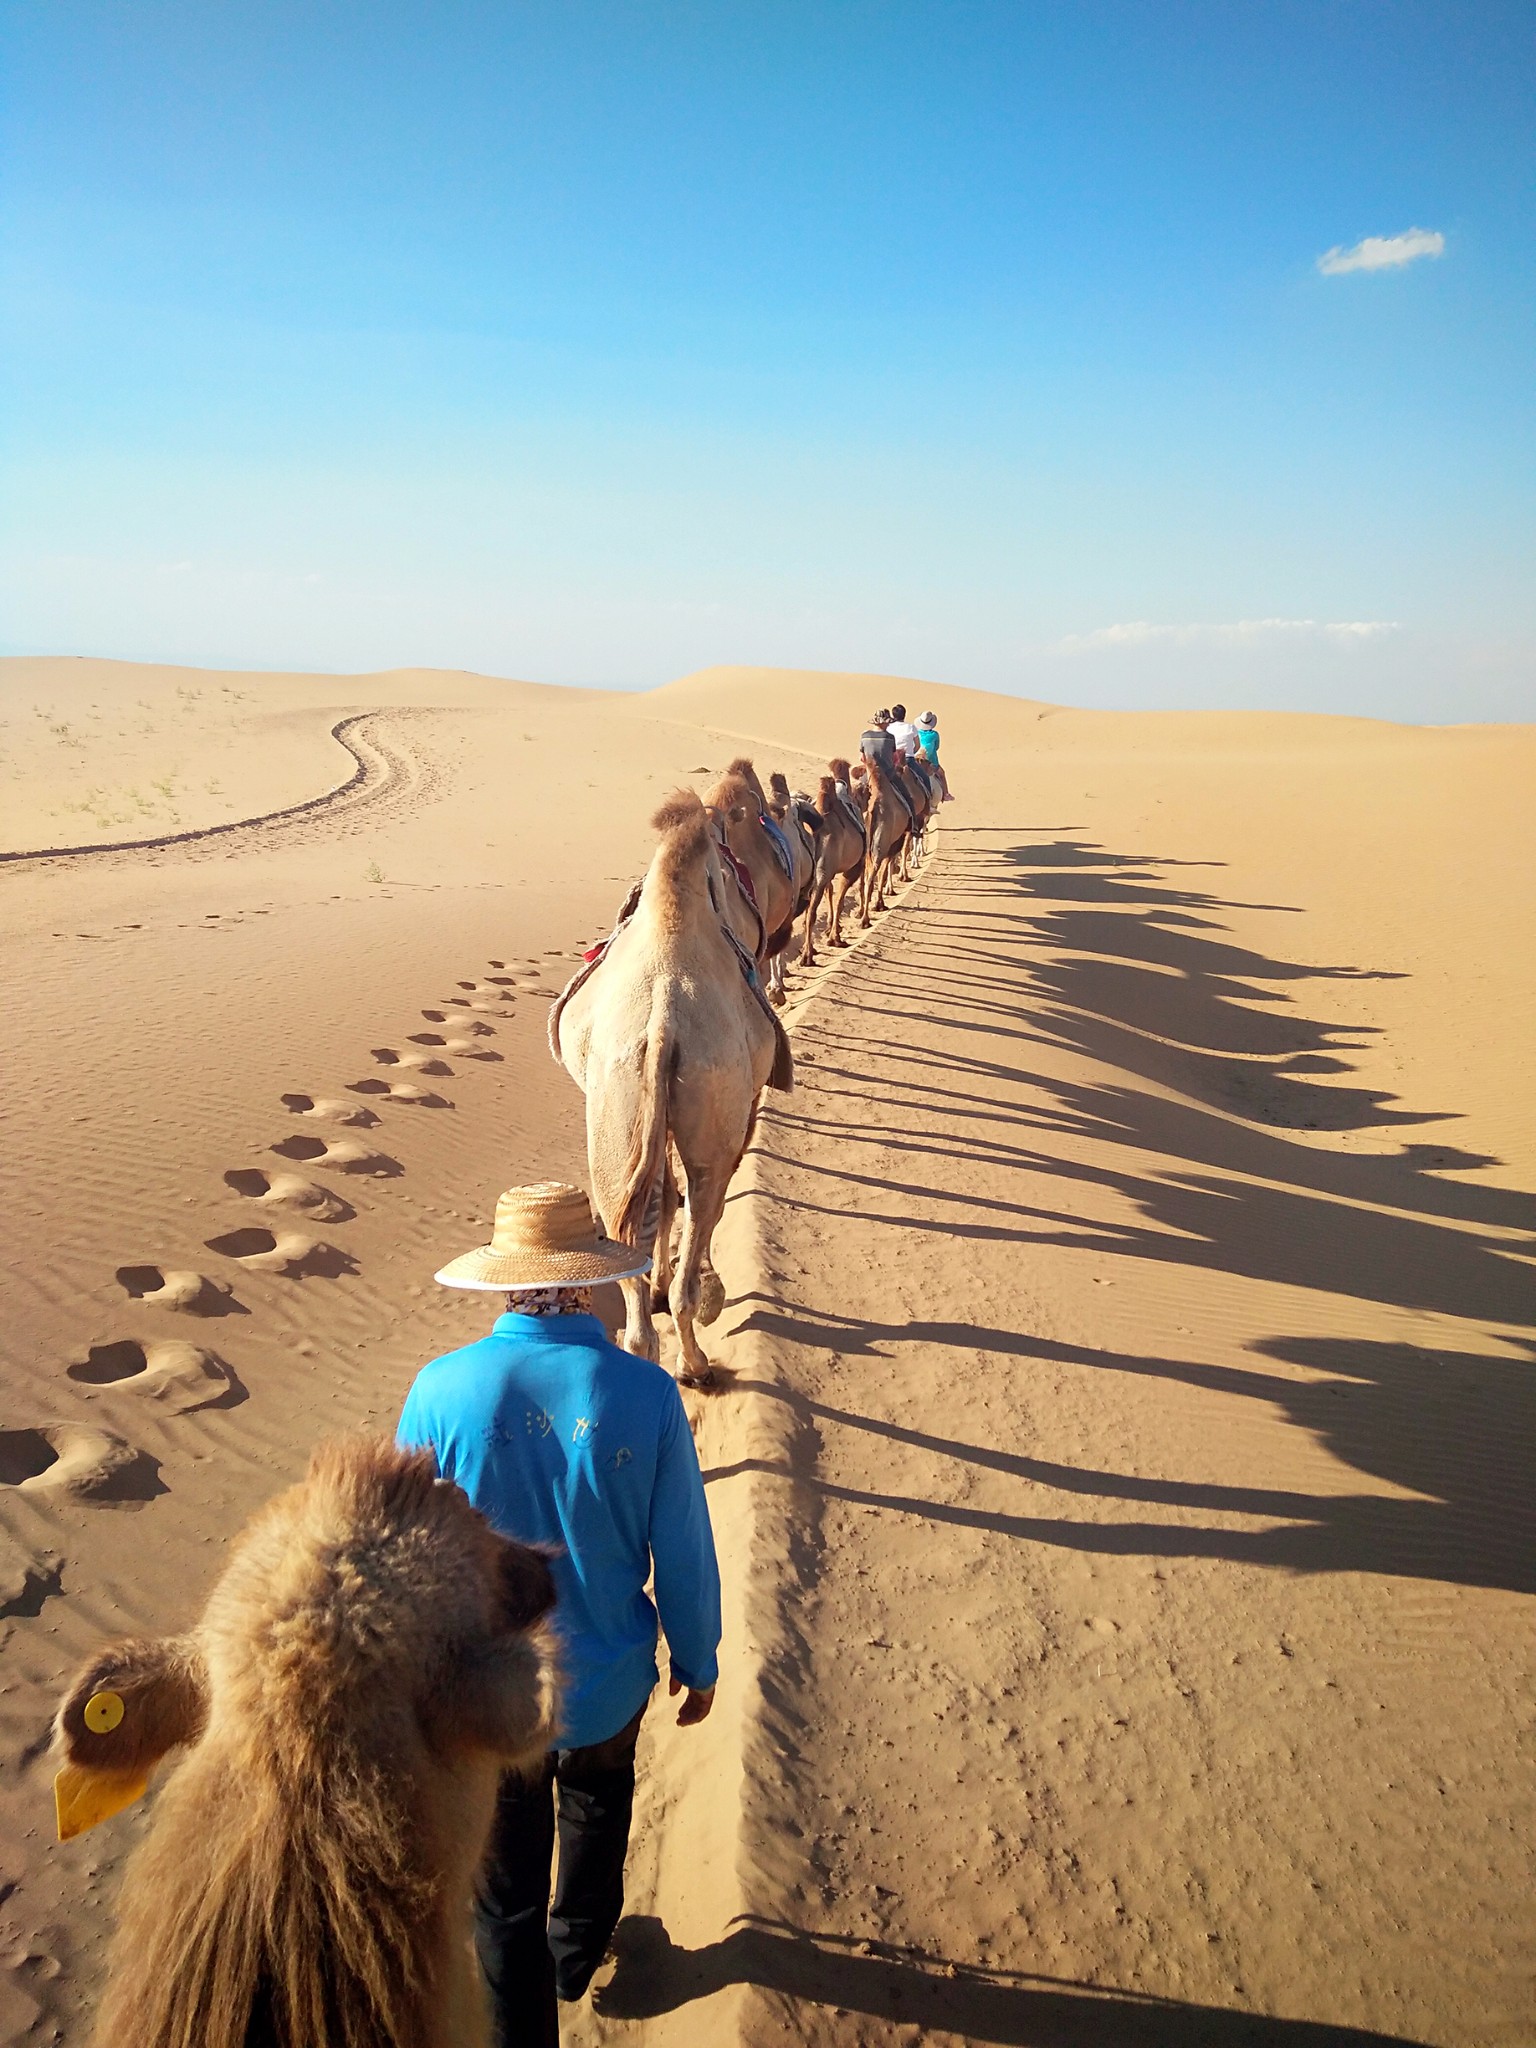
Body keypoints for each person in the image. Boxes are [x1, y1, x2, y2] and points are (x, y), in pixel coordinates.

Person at [396, 1181, 722, 2047]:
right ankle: (578, 1952)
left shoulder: (439, 1391)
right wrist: (699, 1659)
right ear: (588, 1282)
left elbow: (404, 1549)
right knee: (598, 1806)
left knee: (501, 1897)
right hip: (608, 1678)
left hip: (489, 1696)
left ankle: (520, 2022)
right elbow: (682, 1545)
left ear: (504, 1284)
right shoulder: (645, 1394)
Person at [916, 709, 953, 801]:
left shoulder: (917, 733)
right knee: (941, 773)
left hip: (917, 759)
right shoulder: (934, 734)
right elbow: (936, 747)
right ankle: (946, 794)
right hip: (931, 761)